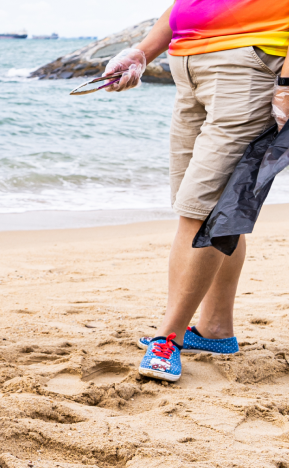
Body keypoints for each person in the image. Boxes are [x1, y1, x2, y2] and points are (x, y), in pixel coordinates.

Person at [101, 1, 288, 382]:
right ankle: (215, 330)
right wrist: (143, 51)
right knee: (207, 206)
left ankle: (168, 337)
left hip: (247, 63)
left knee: (199, 211)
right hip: (187, 63)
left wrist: (286, 82)